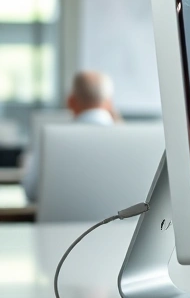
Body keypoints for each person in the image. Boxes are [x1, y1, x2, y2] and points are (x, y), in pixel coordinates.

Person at [21, 71, 118, 203]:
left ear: (70, 101)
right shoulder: (131, 140)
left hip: (59, 223)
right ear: (109, 103)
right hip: (121, 223)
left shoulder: (51, 140)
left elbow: (31, 192)